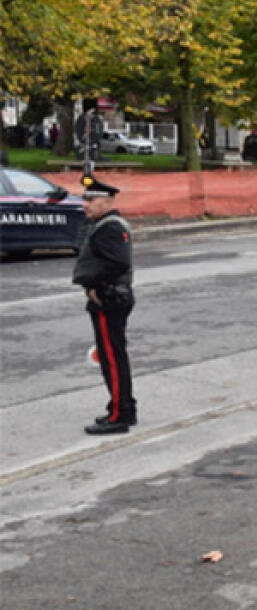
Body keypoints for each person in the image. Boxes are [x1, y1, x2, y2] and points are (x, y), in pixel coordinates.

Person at [73, 175, 137, 434]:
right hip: (111, 296)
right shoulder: (101, 224)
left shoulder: (109, 227)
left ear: (108, 201)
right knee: (113, 356)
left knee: (112, 358)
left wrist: (95, 286)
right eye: (84, 198)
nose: (85, 204)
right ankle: (122, 408)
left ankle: (119, 415)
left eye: (91, 199)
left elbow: (117, 263)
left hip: (110, 298)